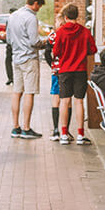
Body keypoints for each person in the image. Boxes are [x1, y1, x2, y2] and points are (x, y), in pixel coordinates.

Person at [52, 4, 97, 145]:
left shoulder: (60, 32)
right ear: (77, 16)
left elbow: (56, 52)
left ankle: (64, 134)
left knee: (65, 101)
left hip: (65, 70)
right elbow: (93, 49)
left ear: (65, 17)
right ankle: (80, 135)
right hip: (80, 70)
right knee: (79, 101)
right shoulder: (85, 31)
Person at [7, 0, 46, 139]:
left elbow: (9, 39)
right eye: (39, 6)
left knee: (17, 92)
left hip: (16, 58)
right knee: (29, 92)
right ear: (35, 3)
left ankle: (15, 127)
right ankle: (26, 128)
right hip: (29, 59)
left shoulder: (13, 16)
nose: (38, 9)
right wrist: (45, 42)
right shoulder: (31, 18)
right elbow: (34, 41)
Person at [45, 12, 62, 142]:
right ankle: (65, 129)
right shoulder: (70, 34)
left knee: (56, 98)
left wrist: (51, 64)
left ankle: (56, 129)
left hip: (56, 70)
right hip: (69, 70)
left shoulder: (53, 36)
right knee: (67, 101)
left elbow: (46, 52)